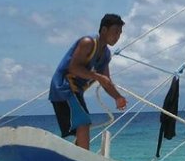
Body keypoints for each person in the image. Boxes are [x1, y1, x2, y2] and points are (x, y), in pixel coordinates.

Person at [49, 14, 127, 150]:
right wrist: (97, 76)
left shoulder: (106, 54)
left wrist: (118, 97)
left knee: (82, 126)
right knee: (83, 122)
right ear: (104, 30)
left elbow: (106, 81)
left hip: (75, 91)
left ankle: (76, 157)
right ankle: (83, 160)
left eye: (120, 33)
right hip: (64, 87)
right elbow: (73, 67)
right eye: (115, 32)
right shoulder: (88, 42)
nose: (117, 37)